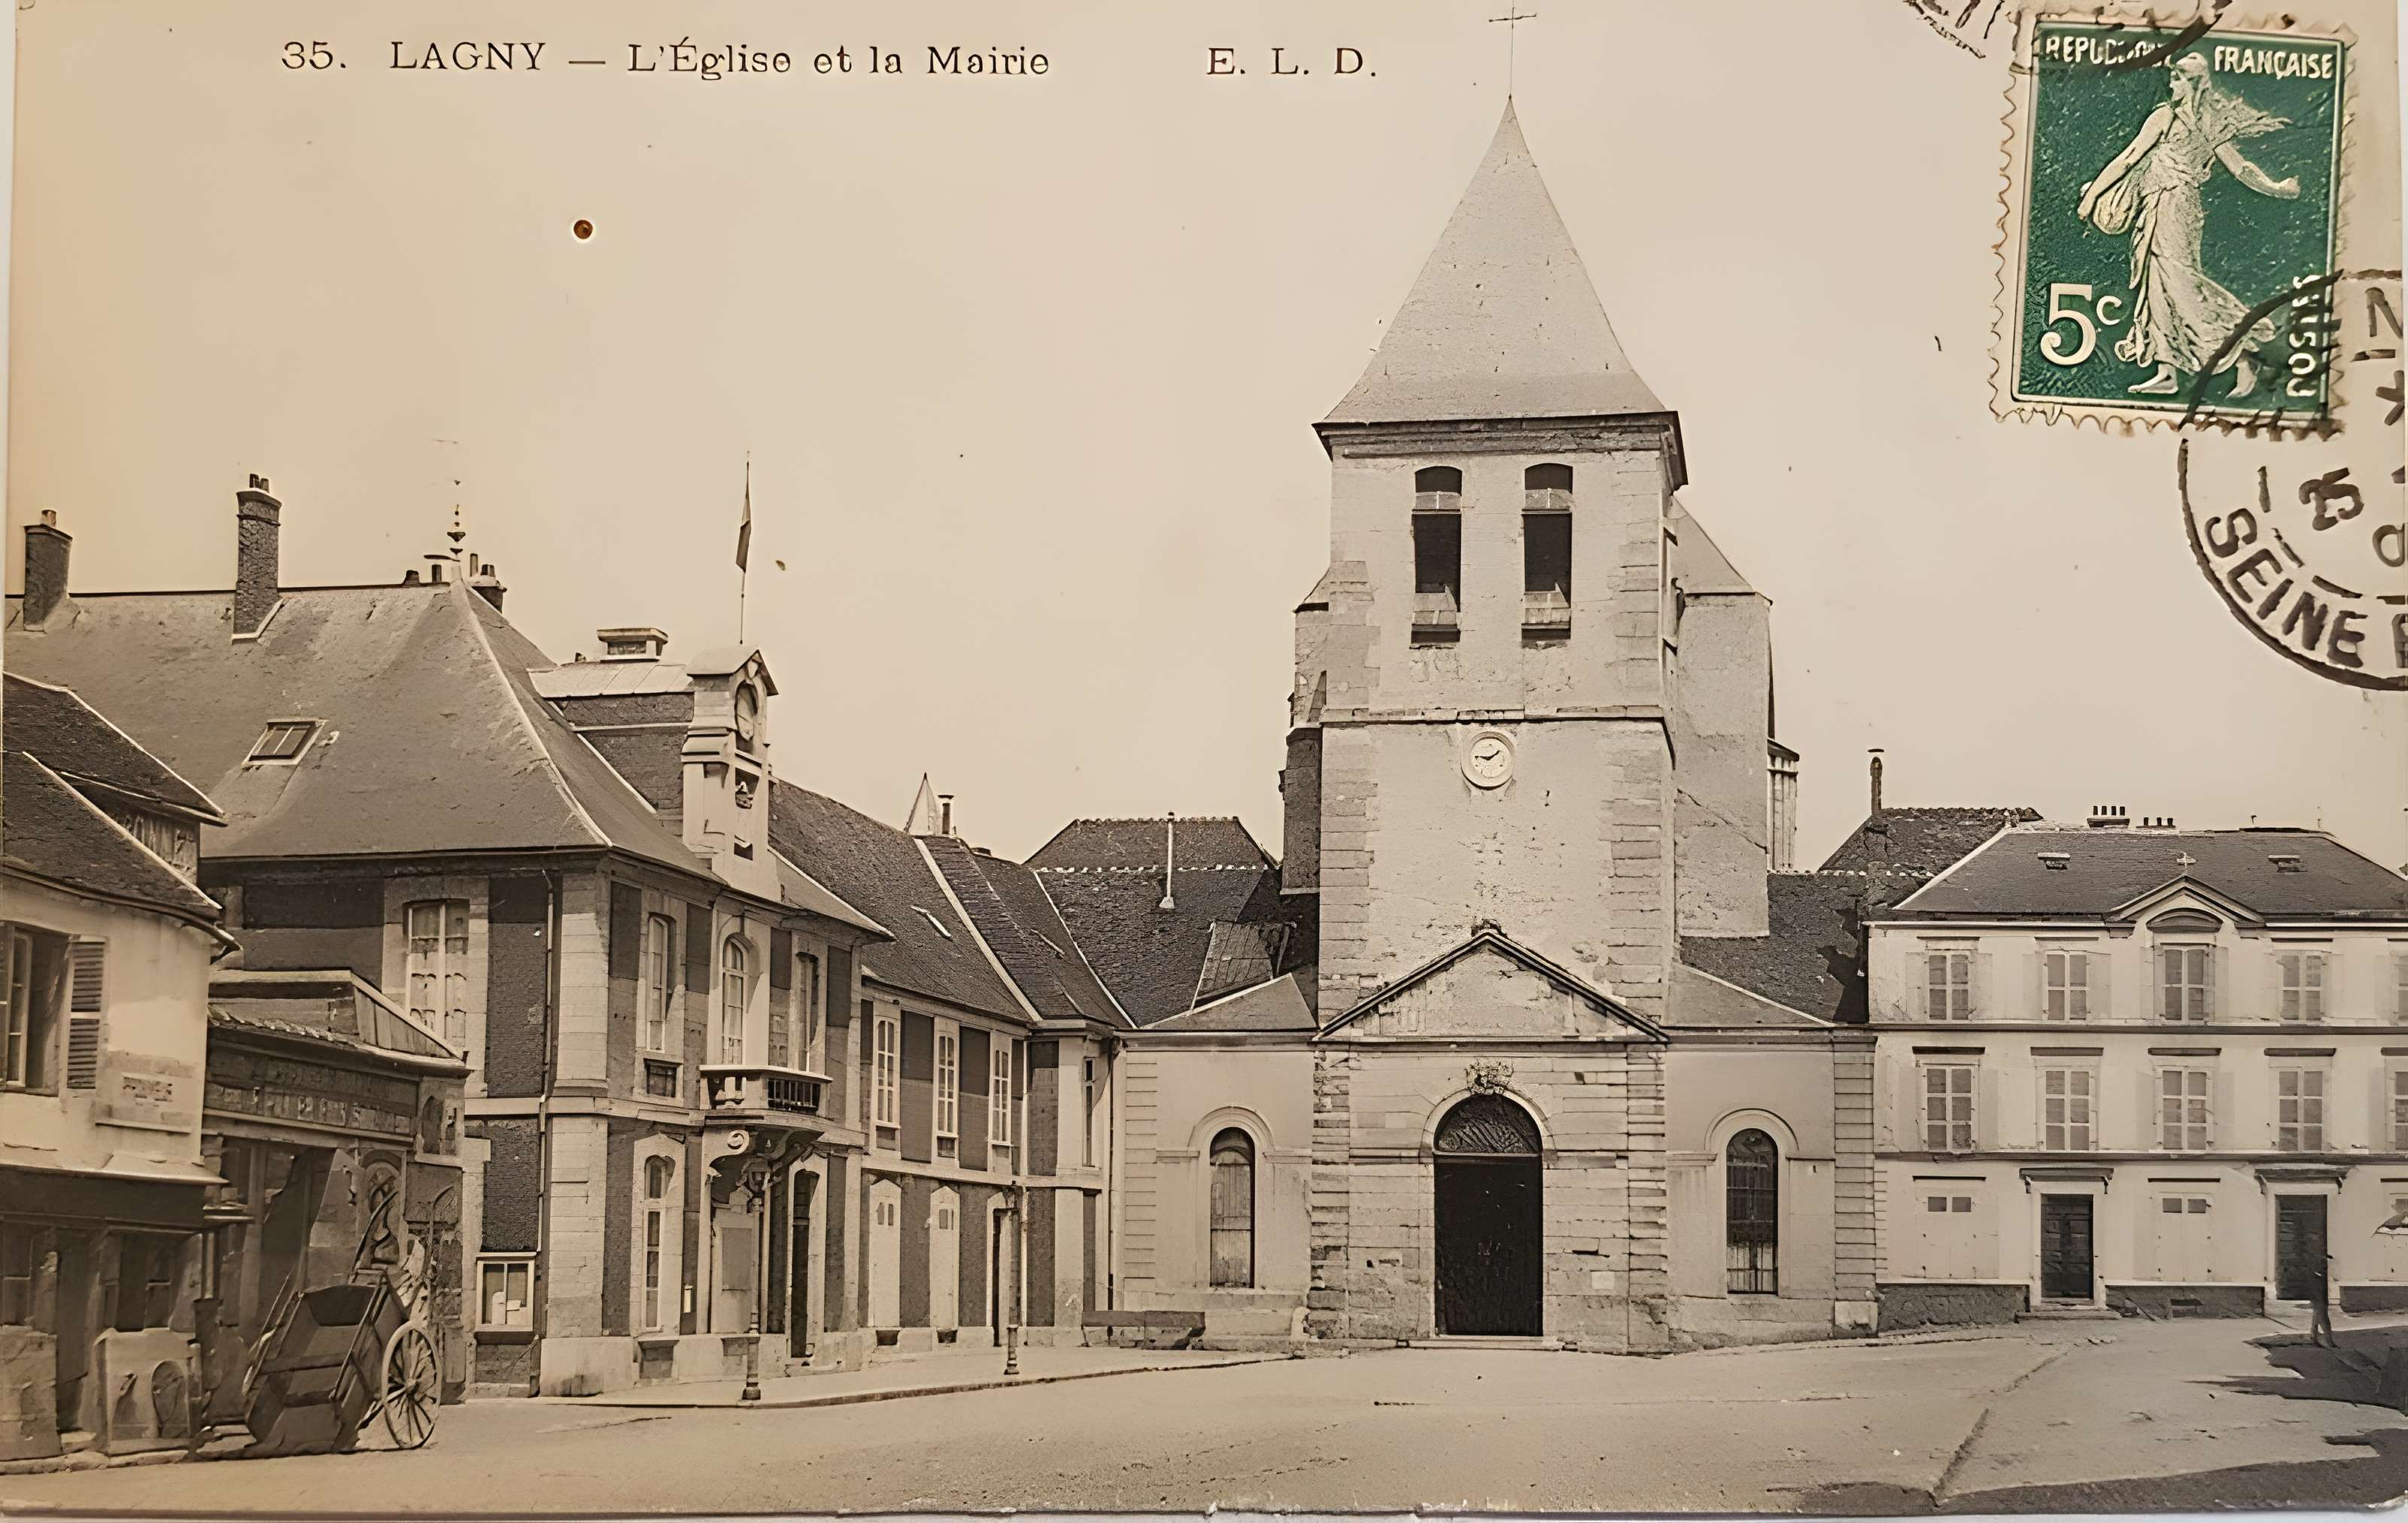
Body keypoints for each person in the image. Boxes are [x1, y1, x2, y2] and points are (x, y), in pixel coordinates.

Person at [2077, 52, 2301, 399]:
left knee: (2182, 287)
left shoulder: (2191, 121)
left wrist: (2276, 188)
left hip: (2176, 209)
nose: (2171, 82)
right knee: (2157, 286)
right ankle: (2166, 370)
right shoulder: (2172, 116)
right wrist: (2094, 194)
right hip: (2158, 206)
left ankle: (2242, 354)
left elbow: (2238, 168)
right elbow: (2130, 158)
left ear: (2194, 83)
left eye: (2178, 77)